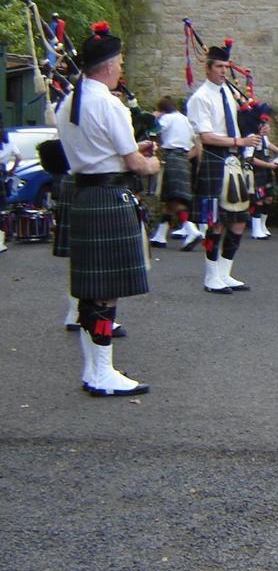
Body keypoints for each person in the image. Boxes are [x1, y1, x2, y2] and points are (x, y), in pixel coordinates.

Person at [55, 22, 161, 396]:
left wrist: (129, 153)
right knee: (106, 294)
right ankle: (102, 373)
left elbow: (98, 150)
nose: (121, 70)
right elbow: (134, 163)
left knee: (89, 291)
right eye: (119, 63)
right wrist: (152, 163)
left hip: (83, 195)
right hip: (109, 198)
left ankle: (93, 370)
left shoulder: (68, 101)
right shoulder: (109, 103)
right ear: (110, 65)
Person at [186, 41, 262, 294]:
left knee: (239, 220)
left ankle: (224, 272)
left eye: (226, 66)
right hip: (214, 158)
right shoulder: (200, 98)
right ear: (207, 69)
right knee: (216, 222)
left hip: (234, 159)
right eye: (218, 66)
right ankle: (210, 276)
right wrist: (239, 141)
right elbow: (206, 136)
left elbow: (237, 122)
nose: (223, 71)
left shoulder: (228, 93)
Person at [149, 96, 204, 250]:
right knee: (171, 200)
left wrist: (154, 118)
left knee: (174, 199)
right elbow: (196, 146)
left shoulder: (167, 118)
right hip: (183, 158)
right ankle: (160, 236)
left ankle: (191, 229)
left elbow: (154, 131)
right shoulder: (185, 119)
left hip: (172, 157)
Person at [247, 114, 278, 239]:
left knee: (268, 198)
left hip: (266, 171)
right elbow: (249, 158)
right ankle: (255, 229)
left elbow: (269, 145)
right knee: (258, 199)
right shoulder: (251, 137)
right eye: (263, 125)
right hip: (256, 172)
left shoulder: (264, 138)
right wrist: (269, 165)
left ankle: (262, 225)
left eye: (267, 125)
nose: (266, 128)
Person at [0, 114, 21, 253]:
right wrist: (11, 170)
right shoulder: (6, 138)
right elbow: (19, 157)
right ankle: (0, 242)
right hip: (1, 174)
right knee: (0, 210)